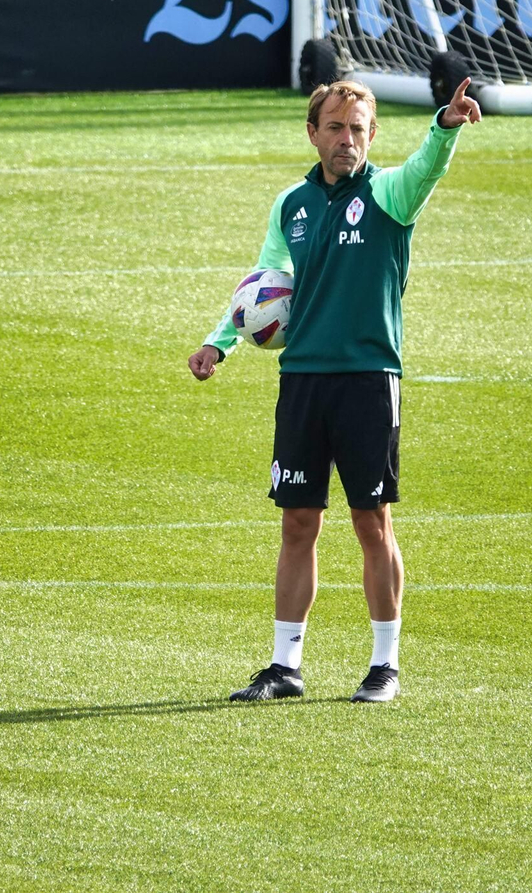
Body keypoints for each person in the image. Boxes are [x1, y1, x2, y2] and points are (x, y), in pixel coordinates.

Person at [187, 77, 481, 703]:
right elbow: (264, 286)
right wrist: (220, 343)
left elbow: (427, 167)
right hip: (302, 381)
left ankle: (384, 666)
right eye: (336, 128)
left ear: (372, 134)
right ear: (313, 133)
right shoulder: (291, 204)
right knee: (298, 523)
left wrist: (444, 127)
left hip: (368, 381)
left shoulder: (390, 194)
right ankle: (284, 666)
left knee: (372, 522)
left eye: (358, 129)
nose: (347, 139)